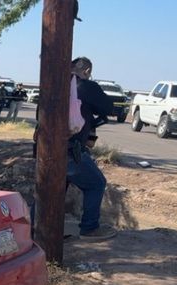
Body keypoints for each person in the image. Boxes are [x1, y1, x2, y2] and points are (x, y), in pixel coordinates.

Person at [68, 56, 116, 240]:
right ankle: (89, 228)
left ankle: (34, 230)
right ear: (86, 71)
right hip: (70, 150)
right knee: (96, 183)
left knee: (49, 192)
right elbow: (108, 108)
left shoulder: (55, 84)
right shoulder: (86, 86)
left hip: (46, 149)